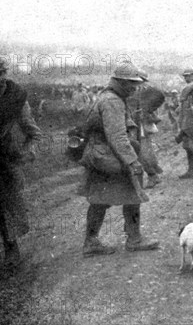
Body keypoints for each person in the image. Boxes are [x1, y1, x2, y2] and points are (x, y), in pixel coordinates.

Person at [78, 63, 159, 256]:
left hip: (103, 156)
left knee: (99, 199)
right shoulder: (112, 101)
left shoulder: (110, 98)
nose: (134, 87)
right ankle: (134, 239)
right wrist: (132, 161)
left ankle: (92, 241)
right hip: (111, 157)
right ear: (120, 82)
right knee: (132, 195)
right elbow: (117, 136)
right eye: (131, 83)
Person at [0, 55, 42, 267]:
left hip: (3, 157)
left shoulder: (16, 97)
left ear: (6, 73)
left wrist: (27, 151)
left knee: (4, 203)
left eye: (0, 74)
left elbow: (33, 132)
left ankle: (11, 245)